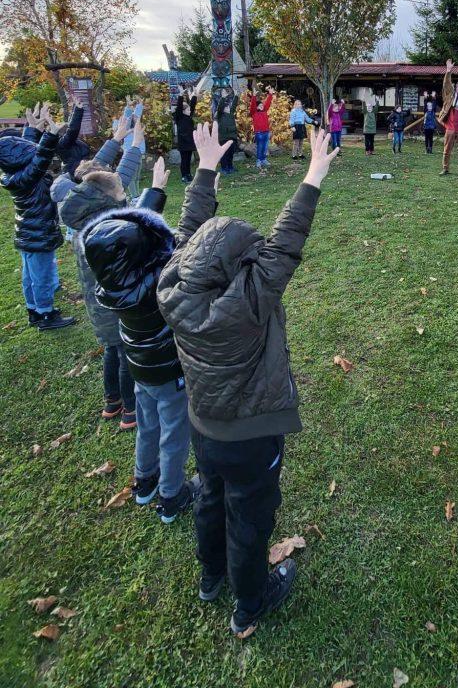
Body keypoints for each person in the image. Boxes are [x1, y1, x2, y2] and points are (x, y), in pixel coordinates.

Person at [156, 125, 340, 636]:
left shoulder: (172, 283)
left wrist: (205, 170)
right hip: (252, 436)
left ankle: (210, 577)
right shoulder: (249, 301)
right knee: (249, 519)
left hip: (203, 426)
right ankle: (250, 604)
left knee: (210, 497)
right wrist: (314, 173)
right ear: (238, 268)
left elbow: (187, 232)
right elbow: (286, 244)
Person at [83, 155, 197, 524]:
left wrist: (156, 191)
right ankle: (171, 495)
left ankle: (144, 481)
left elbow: (129, 233)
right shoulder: (158, 278)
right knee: (174, 431)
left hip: (139, 367)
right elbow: (184, 237)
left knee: (147, 425)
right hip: (168, 371)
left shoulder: (111, 280)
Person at [59, 115, 144, 428]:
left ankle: (112, 401)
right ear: (108, 195)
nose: (121, 185)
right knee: (125, 353)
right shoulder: (111, 226)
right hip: (117, 303)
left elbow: (102, 175)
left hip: (97, 305)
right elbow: (120, 176)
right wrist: (134, 143)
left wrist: (121, 140)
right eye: (118, 186)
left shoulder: (82, 212)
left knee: (111, 348)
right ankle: (131, 410)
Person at [0, 103, 77, 331]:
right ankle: (46, 315)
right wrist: (51, 135)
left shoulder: (14, 174)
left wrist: (32, 129)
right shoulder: (26, 177)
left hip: (28, 233)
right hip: (38, 234)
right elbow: (40, 157)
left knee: (30, 276)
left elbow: (28, 152)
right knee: (41, 277)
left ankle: (33, 310)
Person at [114, 96, 145, 199]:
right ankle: (134, 196)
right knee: (131, 177)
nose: (137, 117)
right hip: (130, 155)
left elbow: (138, 114)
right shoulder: (127, 128)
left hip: (138, 154)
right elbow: (127, 115)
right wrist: (128, 105)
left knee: (137, 177)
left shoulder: (136, 127)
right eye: (134, 117)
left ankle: (137, 195)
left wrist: (140, 103)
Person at [175, 87, 198, 183]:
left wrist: (195, 95)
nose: (190, 111)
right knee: (184, 160)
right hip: (183, 143)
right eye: (188, 110)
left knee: (188, 160)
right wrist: (180, 95)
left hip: (189, 142)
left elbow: (192, 105)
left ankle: (188, 174)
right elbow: (179, 107)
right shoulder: (179, 117)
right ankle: (184, 176)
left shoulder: (189, 117)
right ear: (183, 111)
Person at [215, 88, 239, 175]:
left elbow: (234, 105)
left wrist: (236, 95)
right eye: (227, 107)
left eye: (229, 106)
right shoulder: (220, 115)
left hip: (232, 137)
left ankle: (230, 167)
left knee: (230, 153)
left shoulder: (231, 113)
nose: (229, 107)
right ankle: (224, 168)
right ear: (224, 109)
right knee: (224, 154)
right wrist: (223, 97)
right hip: (223, 138)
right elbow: (220, 107)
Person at [250, 87, 274, 170]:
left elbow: (268, 103)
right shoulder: (254, 112)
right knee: (260, 147)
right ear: (256, 107)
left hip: (266, 132)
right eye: (259, 105)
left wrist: (270, 94)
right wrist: (253, 96)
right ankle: (259, 160)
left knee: (265, 147)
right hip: (259, 133)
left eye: (262, 105)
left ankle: (263, 159)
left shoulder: (264, 111)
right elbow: (252, 105)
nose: (261, 106)